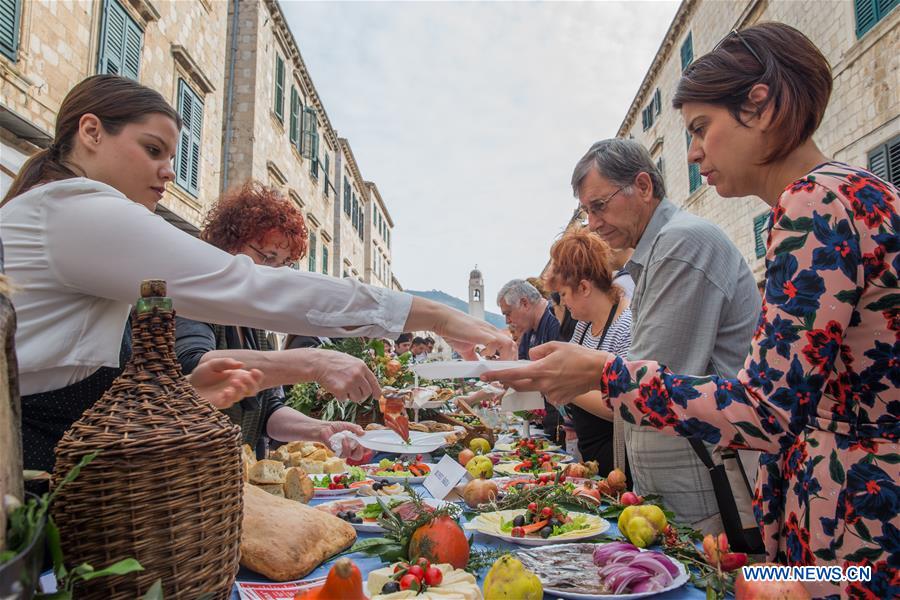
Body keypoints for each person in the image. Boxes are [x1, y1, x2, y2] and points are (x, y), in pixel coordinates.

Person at [483, 22, 898, 599]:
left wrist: (600, 372)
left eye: (701, 128)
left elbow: (767, 409)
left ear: (762, 105)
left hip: (853, 534)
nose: (695, 150)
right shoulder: (855, 191)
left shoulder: (813, 202)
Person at [0, 75, 515, 475]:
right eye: (152, 150)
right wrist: (436, 318)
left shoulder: (59, 212)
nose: (168, 173)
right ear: (90, 132)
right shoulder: (77, 211)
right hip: (34, 459)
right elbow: (248, 289)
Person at [569, 137, 761, 533]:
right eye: (587, 211)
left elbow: (648, 379)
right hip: (683, 488)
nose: (593, 223)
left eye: (599, 206)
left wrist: (570, 374)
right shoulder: (660, 249)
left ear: (643, 186)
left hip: (703, 489)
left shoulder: (680, 243)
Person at [175, 182, 375, 459]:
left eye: (282, 264)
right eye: (267, 257)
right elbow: (194, 369)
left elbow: (269, 410)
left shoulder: (253, 321)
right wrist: (313, 363)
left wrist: (321, 430)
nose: (274, 274)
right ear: (227, 244)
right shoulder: (190, 300)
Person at [544, 229, 632, 475]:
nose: (564, 304)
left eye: (563, 294)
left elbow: (624, 406)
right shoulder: (583, 325)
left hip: (620, 464)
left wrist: (563, 388)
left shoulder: (625, 325)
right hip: (592, 458)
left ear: (583, 287)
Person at [497, 279, 562, 442]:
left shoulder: (555, 319)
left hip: (563, 422)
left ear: (524, 303)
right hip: (549, 420)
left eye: (507, 313)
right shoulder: (529, 331)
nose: (507, 321)